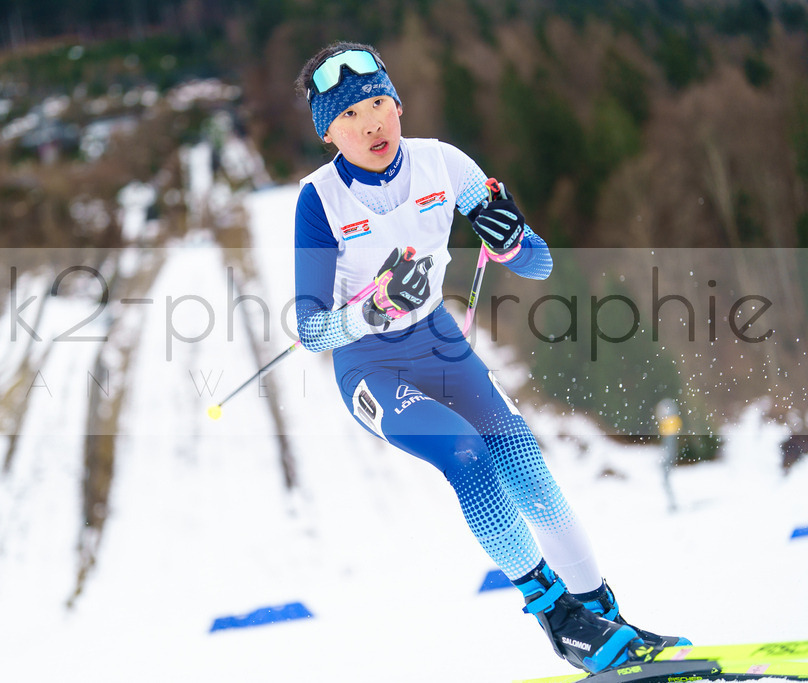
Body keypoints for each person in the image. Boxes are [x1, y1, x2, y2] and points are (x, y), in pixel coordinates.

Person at [292, 41, 689, 674]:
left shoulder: (444, 164)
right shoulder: (320, 201)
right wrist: (375, 309)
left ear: (397, 104)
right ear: (328, 135)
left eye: (376, 104)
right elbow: (311, 329)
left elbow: (538, 261)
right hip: (370, 367)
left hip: (441, 346)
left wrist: (510, 239)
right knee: (467, 455)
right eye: (347, 117)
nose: (369, 123)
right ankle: (558, 618)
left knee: (529, 469)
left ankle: (603, 616)